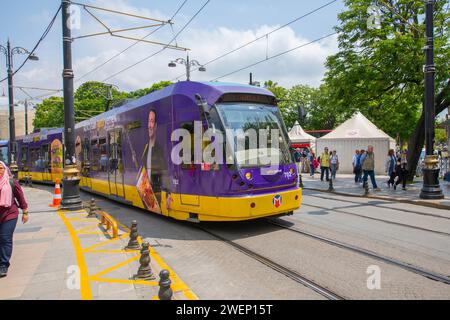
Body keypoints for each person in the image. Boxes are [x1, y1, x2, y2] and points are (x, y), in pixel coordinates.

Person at [0, 161, 28, 278]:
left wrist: (25, 211)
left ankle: (3, 265)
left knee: (5, 238)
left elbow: (20, 197)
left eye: (1, 168)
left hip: (9, 214)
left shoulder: (11, 182)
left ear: (5, 169)